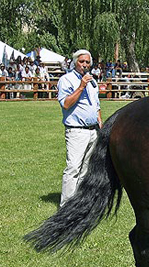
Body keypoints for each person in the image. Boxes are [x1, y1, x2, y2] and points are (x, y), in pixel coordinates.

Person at [57, 49, 102, 207]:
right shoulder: (67, 80)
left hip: (93, 130)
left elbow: (96, 106)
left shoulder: (92, 81)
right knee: (73, 168)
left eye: (87, 62)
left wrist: (100, 125)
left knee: (86, 168)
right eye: (81, 61)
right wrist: (81, 86)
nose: (85, 64)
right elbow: (66, 103)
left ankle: (78, 201)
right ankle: (66, 205)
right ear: (75, 62)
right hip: (76, 130)